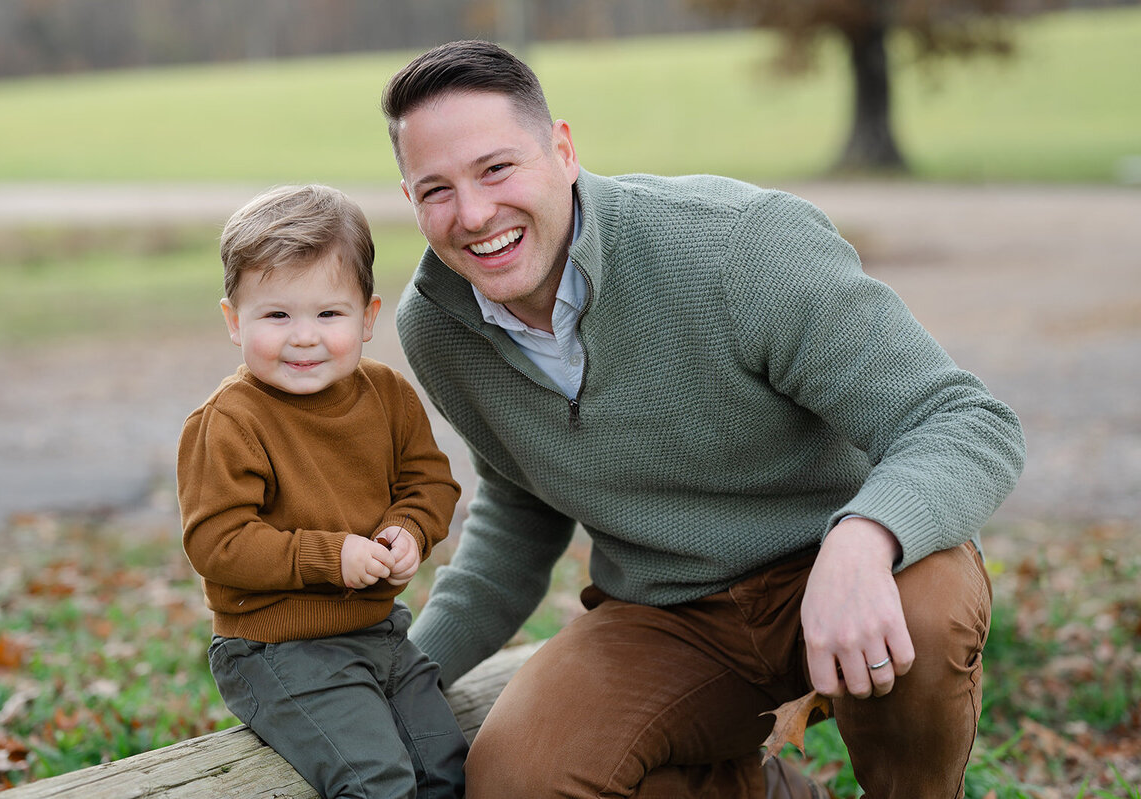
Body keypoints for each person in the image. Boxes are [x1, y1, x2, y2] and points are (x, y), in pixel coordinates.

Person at [380, 40, 1026, 799]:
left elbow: (963, 420)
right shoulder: (437, 326)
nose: (476, 213)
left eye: (496, 168)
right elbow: (520, 504)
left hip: (845, 567)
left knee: (928, 609)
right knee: (521, 778)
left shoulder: (735, 247)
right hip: (669, 615)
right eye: (437, 190)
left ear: (562, 150)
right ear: (409, 201)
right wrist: (405, 673)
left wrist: (865, 536)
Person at [176, 184, 468, 799]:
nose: (303, 337)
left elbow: (430, 482)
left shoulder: (386, 394)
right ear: (235, 320)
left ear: (367, 316)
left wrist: (408, 531)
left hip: (380, 631)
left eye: (329, 314)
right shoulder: (230, 422)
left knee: (446, 766)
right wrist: (330, 556)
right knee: (377, 783)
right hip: (277, 649)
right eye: (277, 315)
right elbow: (218, 543)